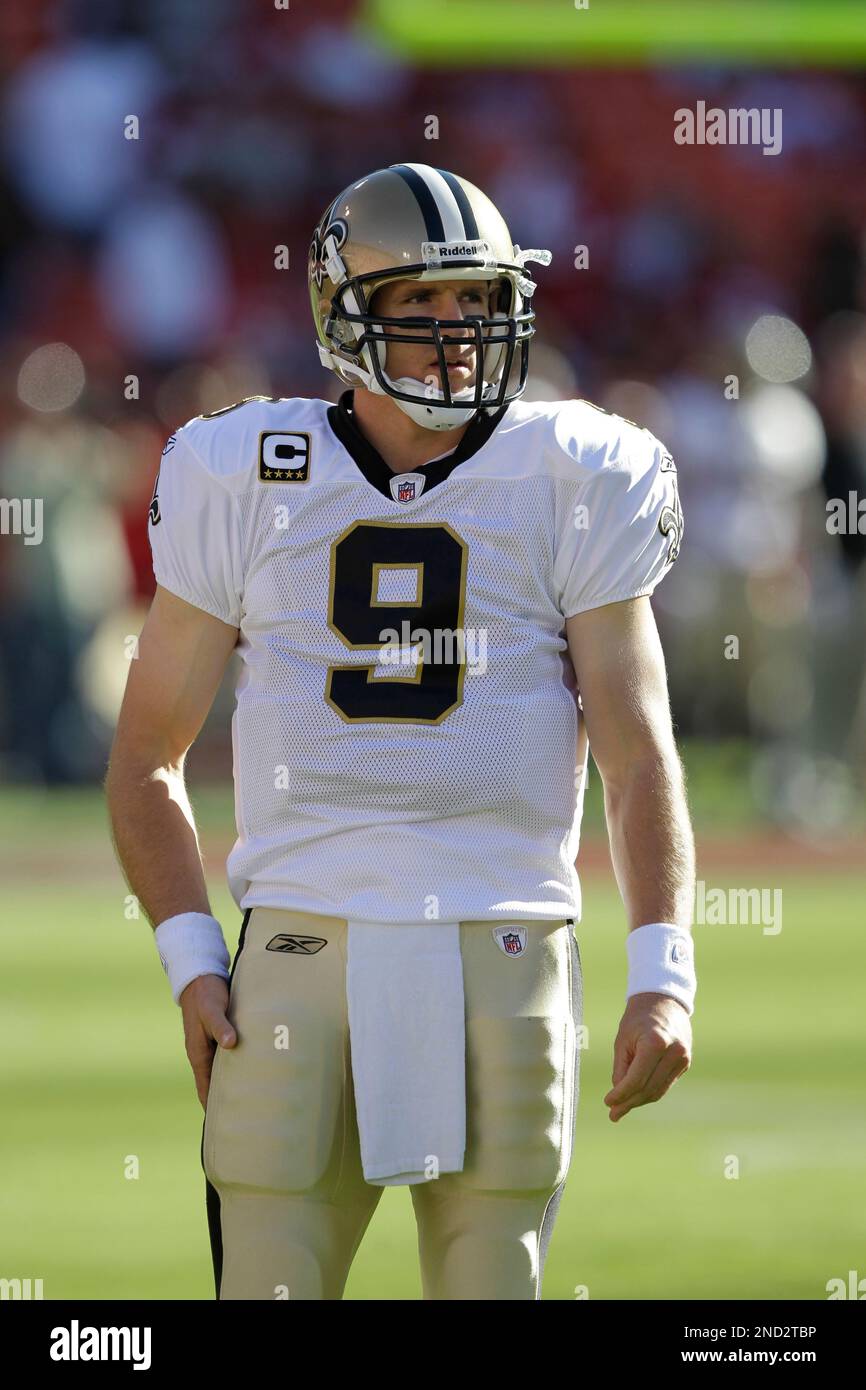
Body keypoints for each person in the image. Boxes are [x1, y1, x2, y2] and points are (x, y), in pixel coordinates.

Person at [105, 162, 695, 1301]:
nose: (454, 332)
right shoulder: (245, 468)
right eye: (417, 304)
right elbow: (144, 756)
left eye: (472, 299)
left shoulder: (574, 468)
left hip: (505, 941)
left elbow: (635, 749)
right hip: (297, 950)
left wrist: (662, 972)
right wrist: (189, 962)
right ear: (339, 315)